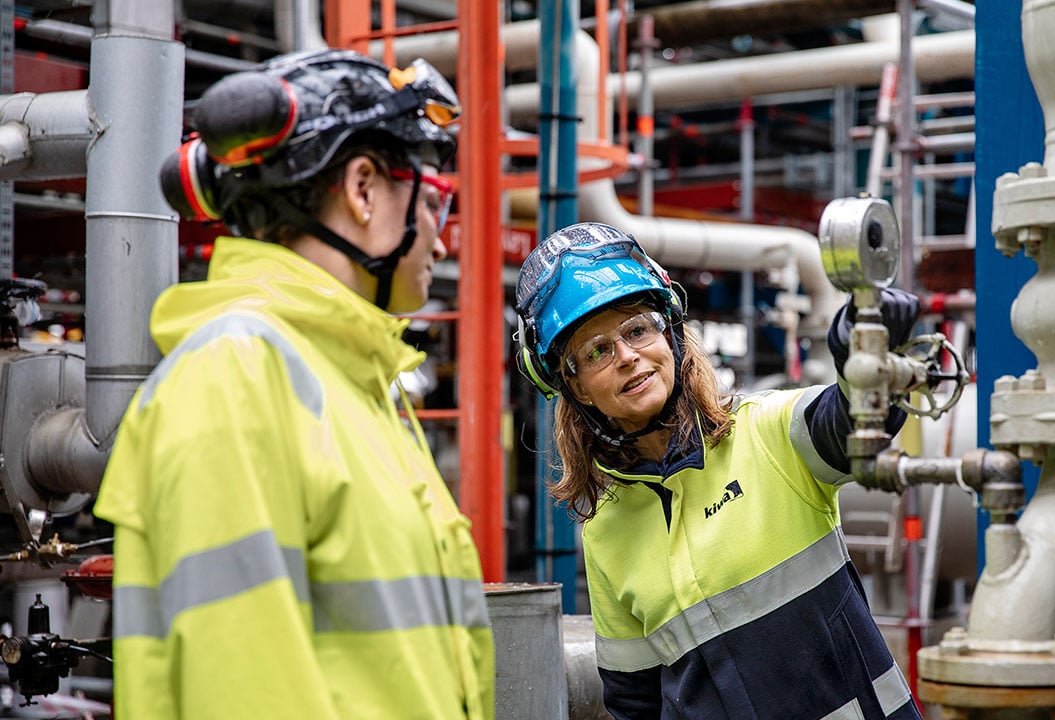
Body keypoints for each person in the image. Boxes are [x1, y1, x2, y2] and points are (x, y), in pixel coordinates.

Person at [94, 49, 493, 719]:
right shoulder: (236, 380)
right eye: (434, 202)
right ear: (363, 189)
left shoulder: (352, 382)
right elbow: (244, 689)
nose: (441, 239)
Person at [515, 222, 923, 720]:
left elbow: (851, 424)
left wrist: (865, 358)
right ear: (576, 389)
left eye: (638, 329)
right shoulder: (606, 532)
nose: (626, 356)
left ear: (670, 335)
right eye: (597, 351)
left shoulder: (767, 434)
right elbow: (633, 701)